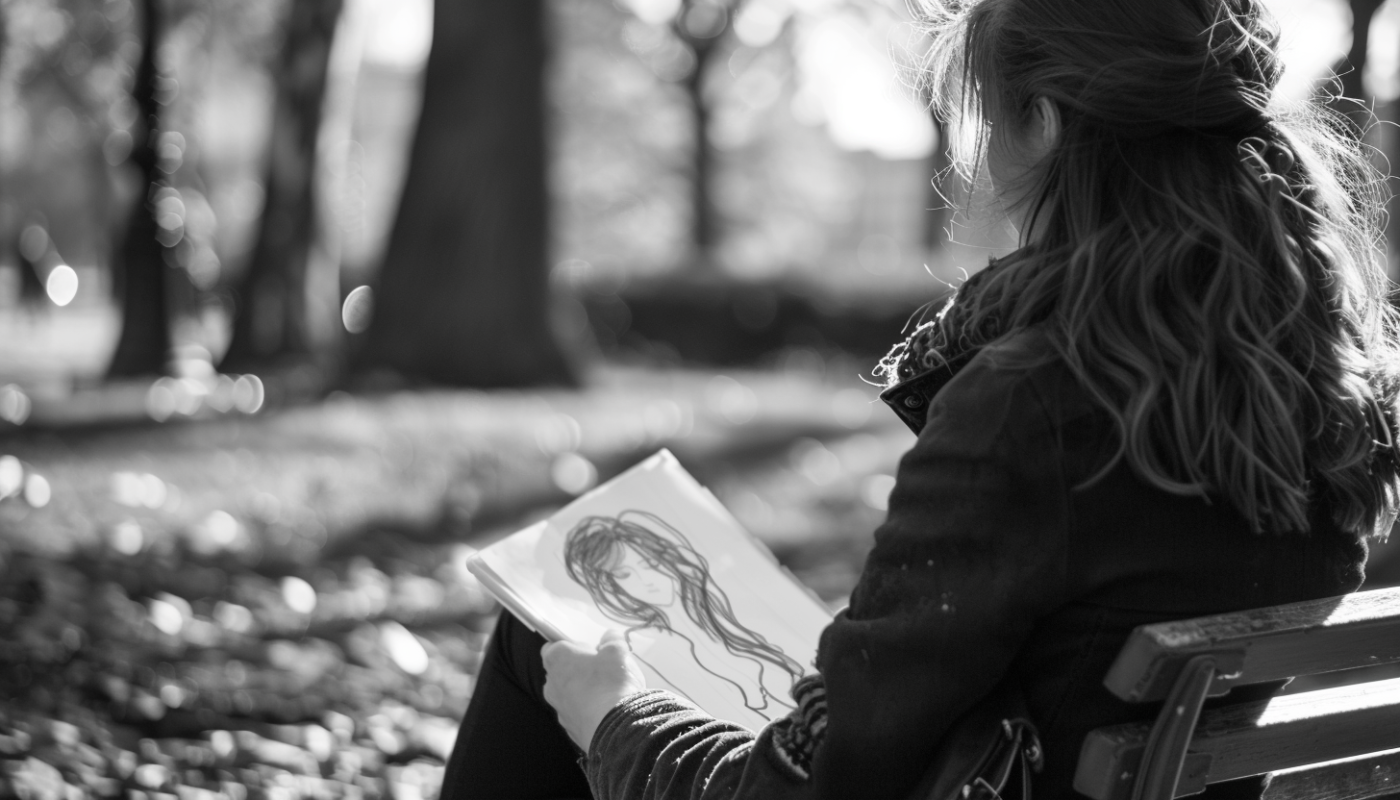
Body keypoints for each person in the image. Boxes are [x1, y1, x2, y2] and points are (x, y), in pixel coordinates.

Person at [439, 0, 1400, 797]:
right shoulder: (1323, 396)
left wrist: (614, 717)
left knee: (546, 636)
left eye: (989, 120)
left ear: (1047, 123)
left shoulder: (1038, 403)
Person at [564, 512, 804, 719]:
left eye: (650, 564)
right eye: (625, 574)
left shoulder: (723, 612)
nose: (646, 581)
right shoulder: (641, 649)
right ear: (609, 584)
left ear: (669, 560)